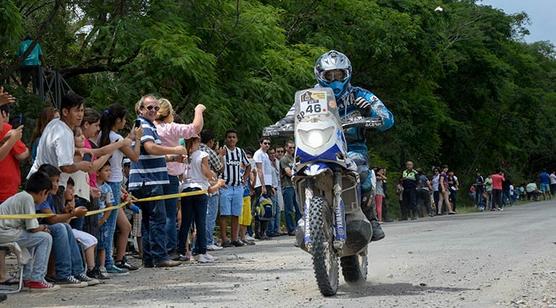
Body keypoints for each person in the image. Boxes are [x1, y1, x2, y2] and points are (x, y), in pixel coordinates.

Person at [271, 50, 394, 241]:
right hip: (316, 146)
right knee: (297, 172)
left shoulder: (358, 95)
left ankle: (371, 216)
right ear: (321, 75)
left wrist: (370, 111)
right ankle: (305, 218)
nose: (335, 79)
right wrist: (280, 125)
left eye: (339, 74)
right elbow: (291, 114)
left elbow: (387, 118)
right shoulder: (310, 96)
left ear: (347, 74)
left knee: (361, 170)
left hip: (351, 148)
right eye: (330, 75)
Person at [128, 95, 186, 268]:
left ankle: (149, 258)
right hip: (149, 181)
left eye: (155, 108)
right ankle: (160, 257)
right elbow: (150, 148)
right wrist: (175, 148)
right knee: (158, 219)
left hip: (146, 179)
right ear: (141, 109)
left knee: (148, 221)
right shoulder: (144, 124)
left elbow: (150, 155)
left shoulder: (147, 125)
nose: (153, 110)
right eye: (149, 107)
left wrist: (171, 157)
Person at [155, 98, 204, 257]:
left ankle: (154, 251)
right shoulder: (170, 128)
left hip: (153, 174)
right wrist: (198, 109)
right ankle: (170, 250)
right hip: (170, 175)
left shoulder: (150, 128)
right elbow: (195, 128)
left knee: (154, 215)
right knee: (170, 215)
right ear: (168, 113)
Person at [98, 103, 142, 273]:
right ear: (118, 120)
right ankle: (108, 262)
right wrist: (138, 138)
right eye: (123, 119)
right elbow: (135, 156)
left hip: (104, 179)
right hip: (114, 181)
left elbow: (125, 141)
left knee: (110, 223)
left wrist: (132, 134)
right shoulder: (116, 138)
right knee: (110, 224)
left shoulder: (102, 134)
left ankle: (110, 260)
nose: (125, 122)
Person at [0, 171, 59, 291]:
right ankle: (37, 279)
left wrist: (40, 228)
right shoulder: (27, 198)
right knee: (45, 238)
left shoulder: (22, 196)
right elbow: (32, 228)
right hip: (5, 233)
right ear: (43, 192)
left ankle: (27, 277)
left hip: (7, 232)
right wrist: (43, 227)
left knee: (36, 237)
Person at [177, 136, 225, 263]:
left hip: (186, 189)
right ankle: (201, 251)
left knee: (186, 222)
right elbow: (205, 171)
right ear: (196, 141)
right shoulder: (202, 154)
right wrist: (213, 176)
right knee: (200, 221)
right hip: (199, 189)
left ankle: (182, 250)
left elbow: (182, 175)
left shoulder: (185, 155)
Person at [28, 92, 92, 179]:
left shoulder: (54, 122)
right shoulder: (64, 133)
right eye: (76, 111)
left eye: (82, 110)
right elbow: (65, 167)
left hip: (37, 178)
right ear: (65, 112)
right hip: (46, 183)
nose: (80, 115)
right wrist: (80, 165)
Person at [218, 129, 251, 247]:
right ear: (226, 139)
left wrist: (245, 179)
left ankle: (235, 238)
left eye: (233, 137)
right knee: (224, 214)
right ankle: (224, 239)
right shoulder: (222, 151)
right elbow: (217, 167)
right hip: (225, 186)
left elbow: (248, 165)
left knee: (236, 213)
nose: (231, 139)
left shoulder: (240, 151)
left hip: (237, 186)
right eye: (229, 137)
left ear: (237, 139)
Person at [199, 129, 224, 251]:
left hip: (198, 187)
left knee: (201, 217)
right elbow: (220, 167)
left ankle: (201, 242)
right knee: (210, 216)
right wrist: (221, 156)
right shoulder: (209, 152)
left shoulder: (193, 150)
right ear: (211, 141)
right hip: (212, 185)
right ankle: (208, 241)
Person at [0, 102, 29, 203]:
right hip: (6, 189)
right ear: (4, 113)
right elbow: (21, 155)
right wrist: (13, 139)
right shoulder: (7, 128)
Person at [253, 137, 274, 239]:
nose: (267, 145)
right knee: (259, 209)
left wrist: (270, 185)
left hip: (268, 184)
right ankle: (257, 233)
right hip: (261, 185)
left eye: (268, 144)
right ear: (260, 143)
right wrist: (263, 186)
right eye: (265, 143)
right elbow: (259, 170)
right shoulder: (258, 154)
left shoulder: (266, 155)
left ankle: (263, 232)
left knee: (267, 208)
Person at [280, 141, 301, 235]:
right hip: (287, 186)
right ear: (286, 148)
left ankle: (299, 227)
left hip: (295, 186)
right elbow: (289, 173)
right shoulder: (284, 159)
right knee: (289, 209)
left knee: (298, 208)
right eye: (290, 147)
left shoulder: (294, 158)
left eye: (293, 147)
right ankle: (291, 229)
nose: (292, 149)